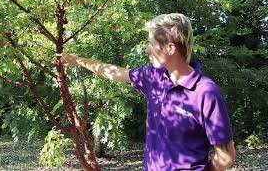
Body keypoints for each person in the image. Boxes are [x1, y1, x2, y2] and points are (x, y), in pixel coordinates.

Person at [62, 13, 236, 171]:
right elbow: (114, 73)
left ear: (170, 48)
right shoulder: (154, 78)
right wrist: (78, 61)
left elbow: (226, 156)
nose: (147, 50)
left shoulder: (206, 92)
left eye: (151, 44)